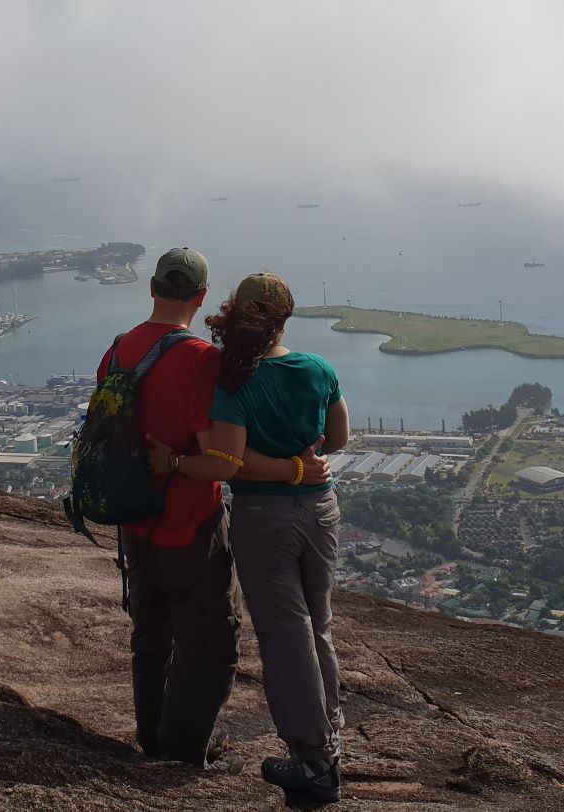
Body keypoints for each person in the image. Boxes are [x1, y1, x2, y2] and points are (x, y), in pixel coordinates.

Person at [149, 272, 350, 804]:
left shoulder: (236, 380)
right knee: (318, 625)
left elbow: (233, 460)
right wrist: (304, 465)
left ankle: (312, 761)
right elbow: (339, 438)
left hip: (266, 518)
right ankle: (331, 737)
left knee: (286, 635)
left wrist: (284, 469)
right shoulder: (318, 368)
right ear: (286, 317)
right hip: (322, 509)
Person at [94, 247, 239, 768]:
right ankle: (180, 756)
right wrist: (178, 461)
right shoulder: (200, 358)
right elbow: (221, 462)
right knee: (210, 651)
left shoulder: (116, 351)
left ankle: (153, 740)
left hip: (135, 523)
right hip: (189, 526)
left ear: (151, 288)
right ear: (200, 298)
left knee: (151, 637)